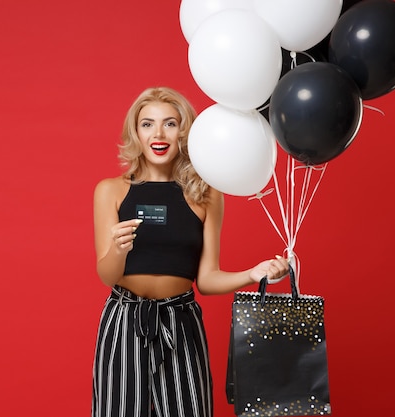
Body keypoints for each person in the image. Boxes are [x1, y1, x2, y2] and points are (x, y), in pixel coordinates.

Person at [91, 87, 289, 417]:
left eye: (170, 123)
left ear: (185, 131)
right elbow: (107, 276)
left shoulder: (206, 193)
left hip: (180, 320)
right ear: (135, 132)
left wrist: (253, 274)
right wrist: (118, 249)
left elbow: (207, 279)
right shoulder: (110, 190)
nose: (158, 134)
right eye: (147, 124)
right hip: (125, 319)